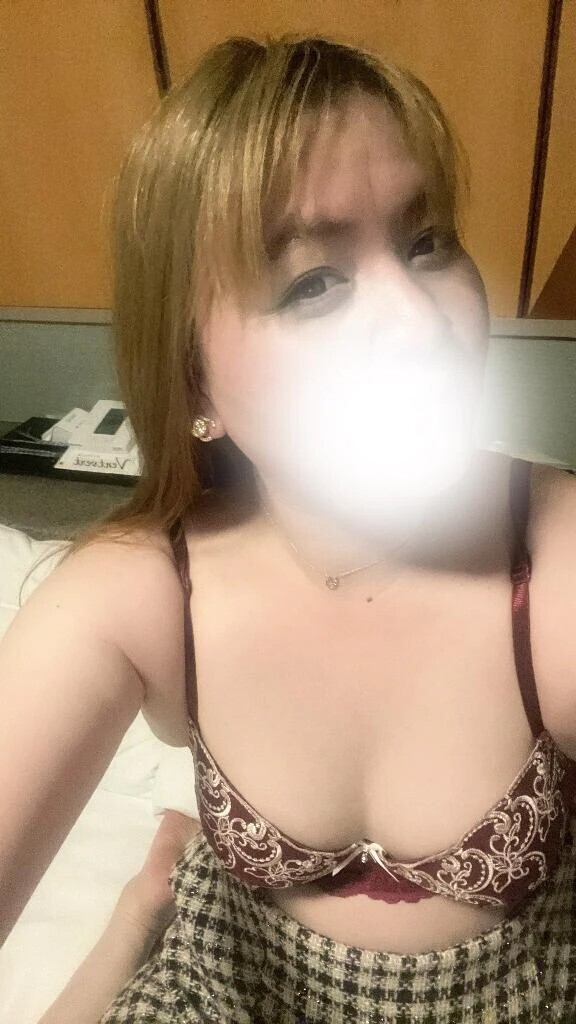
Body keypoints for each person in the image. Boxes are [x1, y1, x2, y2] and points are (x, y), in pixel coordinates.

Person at [1, 31, 576, 1024]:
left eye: (427, 242)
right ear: (194, 382)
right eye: (313, 283)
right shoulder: (148, 589)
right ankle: (144, 911)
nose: (421, 322)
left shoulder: (550, 562)